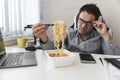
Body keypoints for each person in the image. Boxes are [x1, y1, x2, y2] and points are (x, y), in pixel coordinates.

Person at [32, 3, 120, 55]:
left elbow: (114, 56)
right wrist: (43, 37)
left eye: (88, 23)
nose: (83, 26)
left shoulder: (100, 37)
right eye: (81, 21)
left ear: (95, 23)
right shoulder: (69, 33)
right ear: (77, 19)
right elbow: (52, 48)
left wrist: (105, 36)